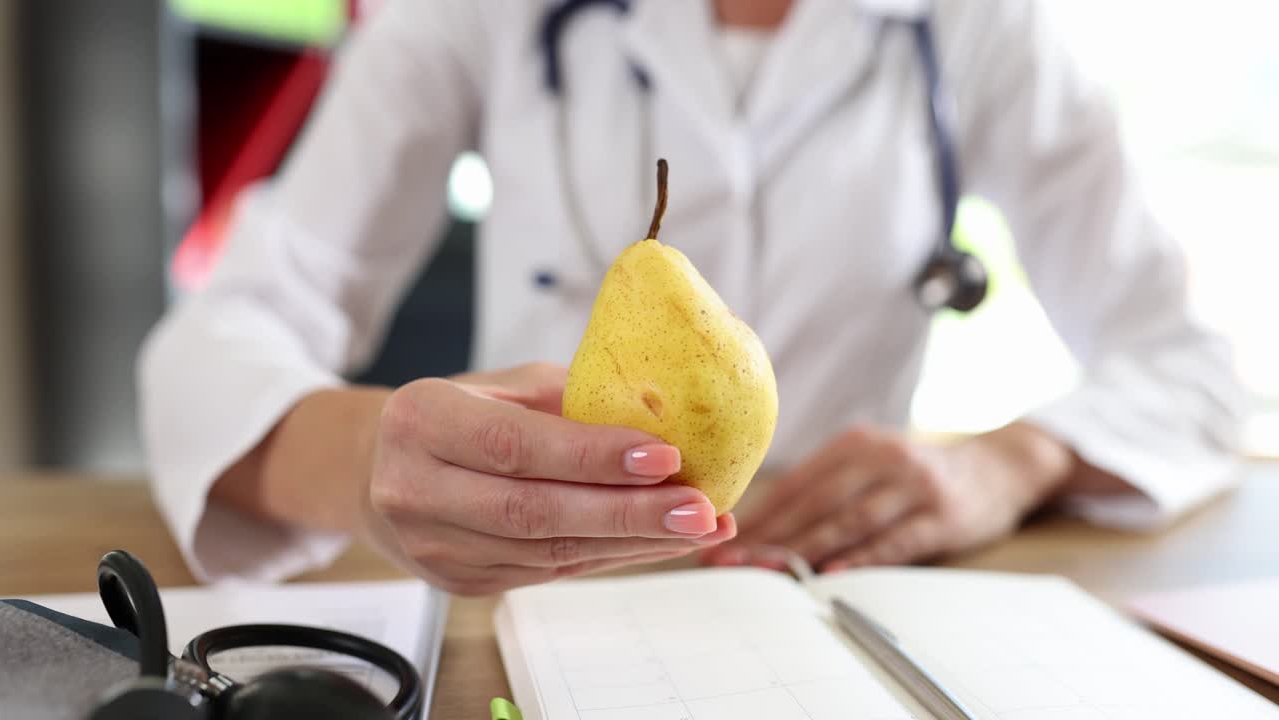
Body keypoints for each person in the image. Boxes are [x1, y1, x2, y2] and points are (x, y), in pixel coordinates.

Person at [138, 0, 1243, 594]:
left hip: (834, 597)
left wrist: (1007, 459)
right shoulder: (468, 15)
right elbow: (215, 342)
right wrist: (375, 465)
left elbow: (1192, 373)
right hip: (527, 606)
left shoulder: (977, 26)